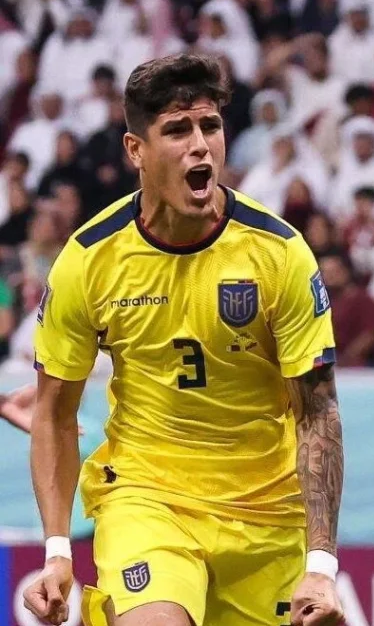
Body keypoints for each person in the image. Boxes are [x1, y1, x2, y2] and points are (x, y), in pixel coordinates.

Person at [22, 54, 345, 626]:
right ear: (135, 150)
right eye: (177, 130)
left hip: (267, 515)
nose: (201, 147)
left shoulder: (280, 254)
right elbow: (53, 412)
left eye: (210, 126)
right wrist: (56, 551)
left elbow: (317, 411)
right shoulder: (89, 260)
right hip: (149, 498)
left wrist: (321, 564)